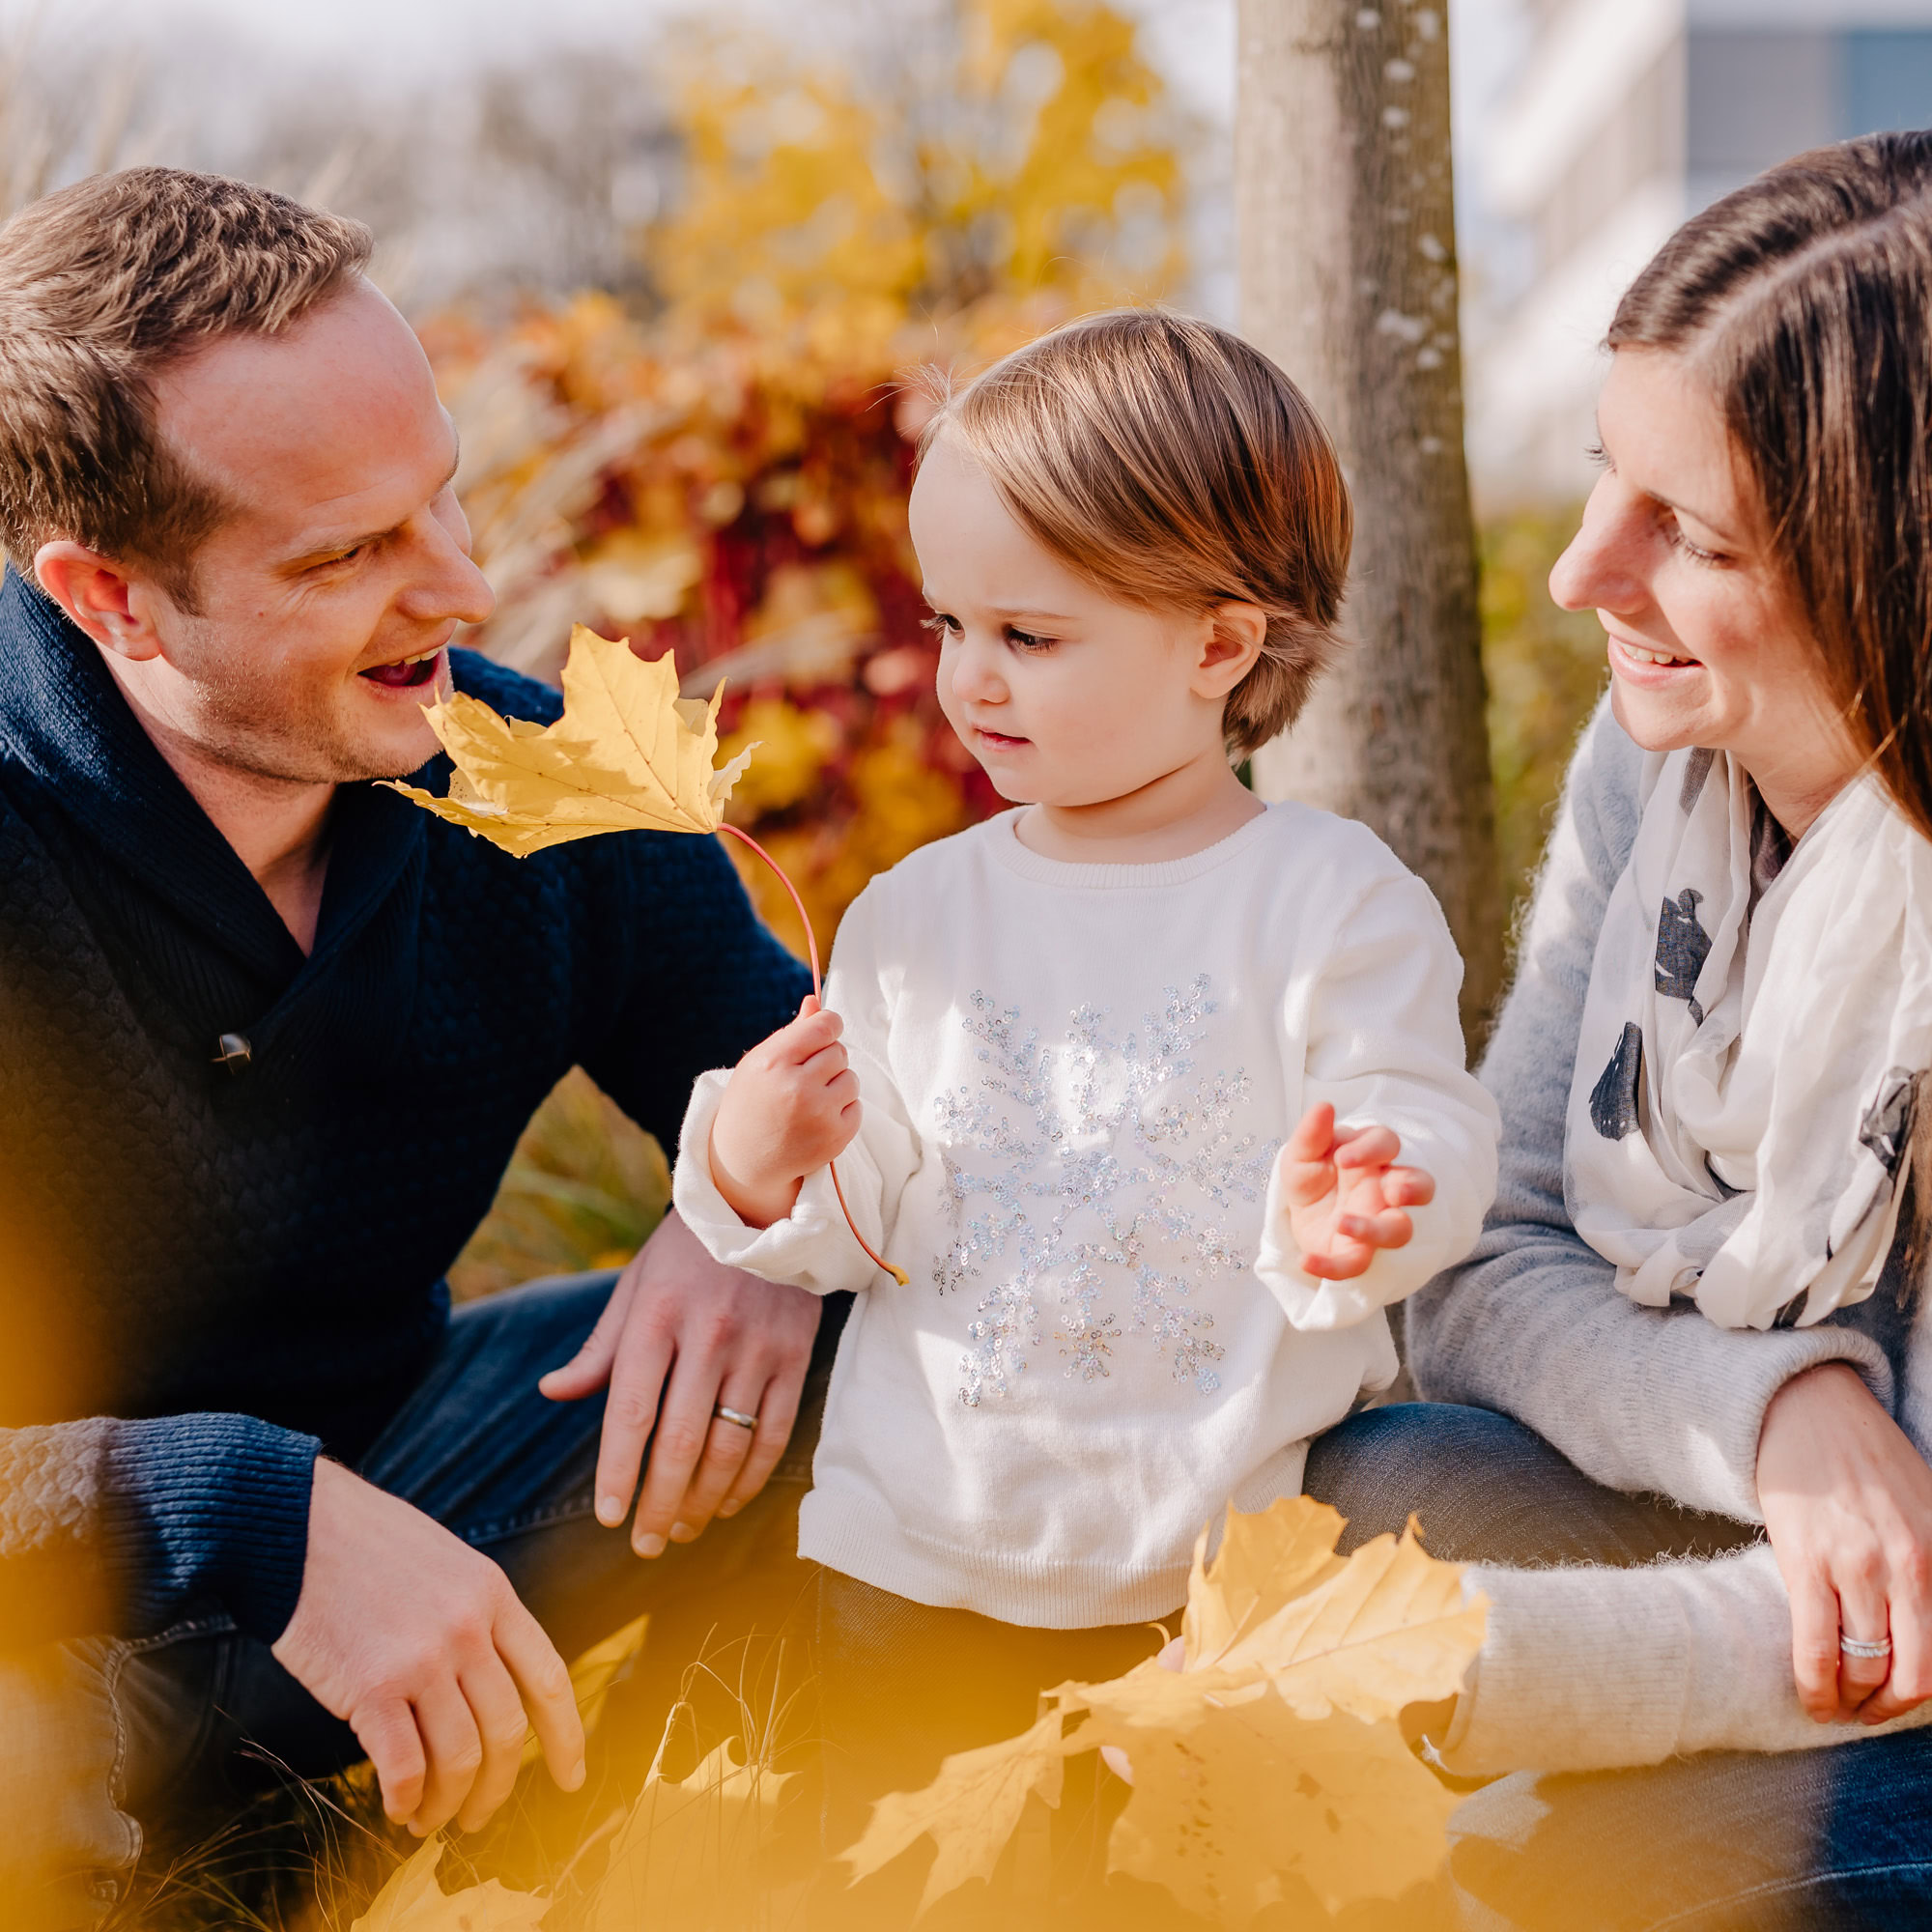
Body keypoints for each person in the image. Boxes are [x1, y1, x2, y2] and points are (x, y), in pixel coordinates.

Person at [0, 167, 834, 1929]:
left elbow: (817, 1091)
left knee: (835, 1368)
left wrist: (760, 1223)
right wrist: (237, 1504)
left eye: (441, 494)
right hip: (50, 1621)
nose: (456, 587)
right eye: (347, 554)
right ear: (113, 600)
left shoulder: (529, 786)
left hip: (415, 1485)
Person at [666, 310, 1501, 1839]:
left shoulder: (1326, 897)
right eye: (949, 629)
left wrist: (1374, 1197)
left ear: (1218, 644)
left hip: (1207, 1559)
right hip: (916, 1556)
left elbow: (1418, 1109)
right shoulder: (921, 914)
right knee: (921, 1876)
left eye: (1029, 637)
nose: (970, 682)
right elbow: (873, 1227)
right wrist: (758, 1156)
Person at [1301, 131, 1932, 1927]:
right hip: (1791, 1556)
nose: (1585, 573)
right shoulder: (1665, 768)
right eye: (1605, 480)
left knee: (1654, 1882)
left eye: (1693, 533)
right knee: (1379, 1492)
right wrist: (1779, 1411)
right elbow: (1485, 1261)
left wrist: (1463, 1676)